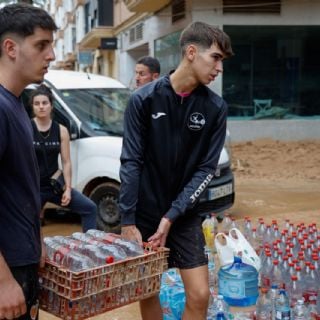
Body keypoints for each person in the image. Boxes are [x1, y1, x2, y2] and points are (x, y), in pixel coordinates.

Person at [119, 21, 233, 320]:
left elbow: (206, 169)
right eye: (216, 58)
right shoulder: (143, 100)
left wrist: (172, 215)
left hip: (183, 214)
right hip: (144, 213)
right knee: (148, 291)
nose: (219, 68)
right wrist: (128, 219)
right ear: (192, 52)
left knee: (199, 294)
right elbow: (131, 161)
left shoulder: (215, 108)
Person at [0, 4, 57, 320]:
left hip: (22, 260)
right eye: (41, 45)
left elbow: (19, 187)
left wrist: (36, 241)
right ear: (10, 48)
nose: (51, 55)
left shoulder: (17, 103)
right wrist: (3, 281)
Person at [30, 84, 97, 232]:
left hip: (55, 186)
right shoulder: (27, 128)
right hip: (33, 187)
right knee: (29, 222)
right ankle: (34, 253)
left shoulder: (61, 130)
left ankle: (88, 248)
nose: (41, 107)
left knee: (90, 208)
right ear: (33, 107)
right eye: (37, 103)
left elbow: (66, 162)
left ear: (51, 106)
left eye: (44, 103)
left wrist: (67, 188)